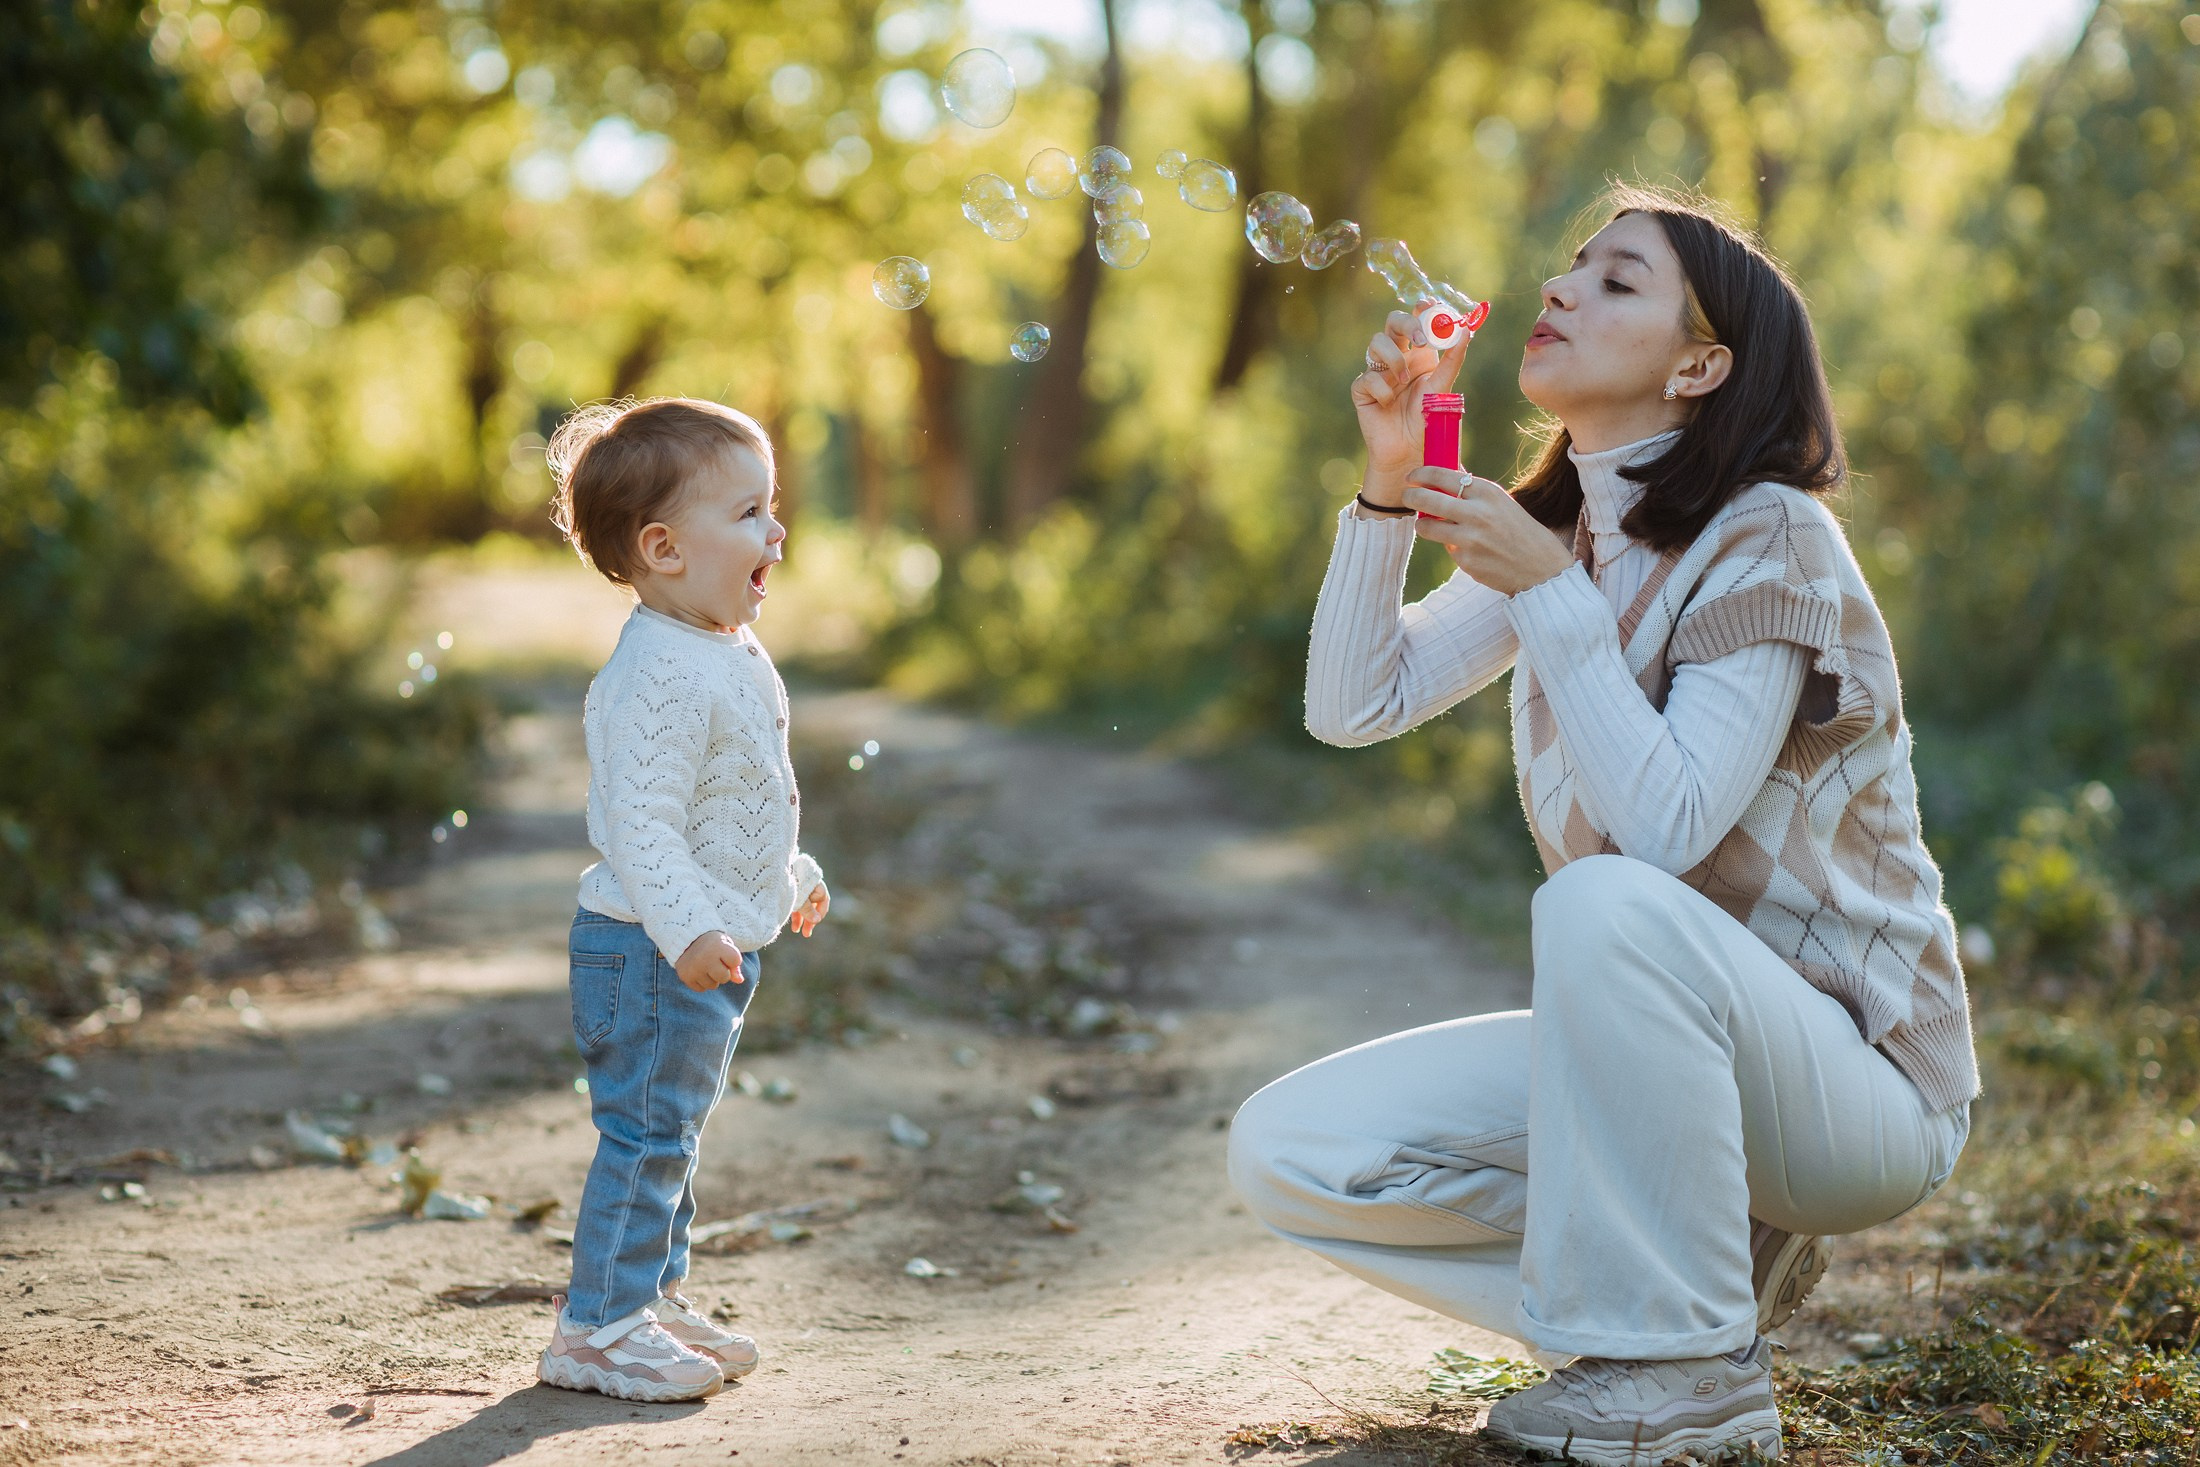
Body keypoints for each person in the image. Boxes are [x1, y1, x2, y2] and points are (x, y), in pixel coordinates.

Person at [1226, 186, 1976, 1465]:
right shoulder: (1566, 533)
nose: (1559, 288)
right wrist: (1388, 486)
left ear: (1698, 366)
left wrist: (1548, 595)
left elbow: (1667, 829)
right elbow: (1352, 706)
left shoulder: (1770, 534)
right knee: (1293, 1151)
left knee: (1605, 900)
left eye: (1616, 280)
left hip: (1857, 1090)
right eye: (1571, 267)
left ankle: (1683, 1371)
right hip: (1685, 1066)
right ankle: (1695, 1293)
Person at [534, 398, 831, 1402]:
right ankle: (597, 1327)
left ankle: (649, 1296)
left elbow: (734, 800)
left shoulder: (719, 645)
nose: (776, 531)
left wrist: (788, 875)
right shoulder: (655, 673)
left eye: (770, 507)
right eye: (748, 513)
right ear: (663, 549)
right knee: (647, 1136)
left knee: (676, 1131)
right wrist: (693, 926)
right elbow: (643, 827)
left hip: (687, 948)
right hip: (650, 951)